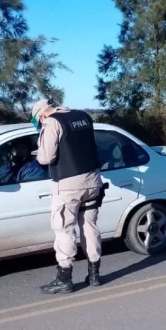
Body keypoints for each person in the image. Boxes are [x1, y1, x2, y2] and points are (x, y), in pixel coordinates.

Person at [31, 98, 106, 294]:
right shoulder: (83, 117)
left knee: (64, 229)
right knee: (89, 227)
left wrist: (37, 153)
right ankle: (94, 275)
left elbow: (46, 157)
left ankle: (64, 278)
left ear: (41, 115)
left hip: (68, 186)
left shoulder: (51, 123)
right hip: (93, 181)